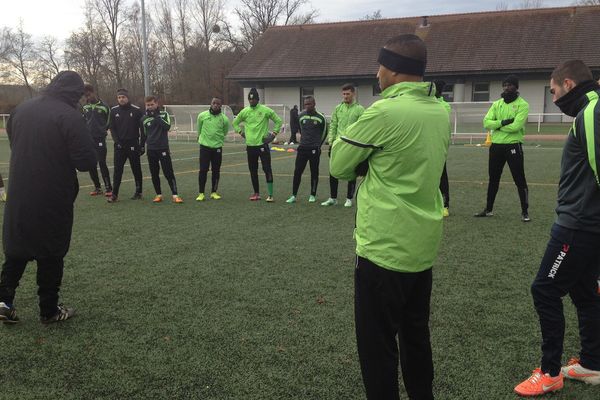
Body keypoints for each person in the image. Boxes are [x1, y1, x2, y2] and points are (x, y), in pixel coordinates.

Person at [330, 34, 449, 400]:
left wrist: (364, 162)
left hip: (383, 246)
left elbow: (338, 164)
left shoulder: (384, 111)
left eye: (380, 65)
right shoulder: (442, 110)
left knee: (377, 345)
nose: (377, 73)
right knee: (416, 335)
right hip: (422, 246)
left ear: (395, 70)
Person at [514, 61, 600, 397]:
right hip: (587, 224)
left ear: (568, 83)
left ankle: (550, 372)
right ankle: (592, 363)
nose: (553, 98)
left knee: (545, 290)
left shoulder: (592, 112)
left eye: (553, 91)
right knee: (582, 291)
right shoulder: (591, 111)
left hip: (578, 225)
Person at [0, 71, 97, 324]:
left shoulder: (21, 110)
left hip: (20, 190)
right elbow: (86, 161)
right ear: (75, 93)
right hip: (53, 193)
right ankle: (49, 310)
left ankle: (3, 301)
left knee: (17, 248)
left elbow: (15, 143)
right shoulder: (69, 116)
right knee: (51, 251)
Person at [475, 75, 531, 221]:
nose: (507, 87)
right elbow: (486, 123)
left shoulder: (523, 105)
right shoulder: (497, 104)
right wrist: (504, 122)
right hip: (496, 147)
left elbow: (516, 127)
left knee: (519, 179)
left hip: (513, 146)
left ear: (516, 87)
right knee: (493, 178)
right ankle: (488, 209)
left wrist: (498, 126)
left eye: (510, 85)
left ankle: (525, 212)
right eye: (505, 85)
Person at [233, 88, 282, 202]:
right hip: (250, 146)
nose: (251, 101)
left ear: (258, 99)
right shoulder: (245, 111)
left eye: (253, 99)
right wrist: (241, 132)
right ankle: (256, 193)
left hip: (262, 145)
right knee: (253, 170)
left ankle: (270, 195)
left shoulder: (265, 110)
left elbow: (278, 121)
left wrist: (273, 135)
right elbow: (235, 122)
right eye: (250, 99)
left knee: (267, 169)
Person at [322, 83, 364, 208]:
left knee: (351, 172)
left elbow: (363, 128)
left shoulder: (360, 109)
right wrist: (331, 141)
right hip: (337, 145)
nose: (345, 96)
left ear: (353, 94)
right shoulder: (337, 108)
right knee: (333, 171)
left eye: (348, 94)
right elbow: (333, 125)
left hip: (352, 146)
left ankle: (349, 198)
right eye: (344, 94)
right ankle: (333, 198)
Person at [286, 96, 327, 204]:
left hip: (314, 149)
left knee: (314, 172)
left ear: (314, 104)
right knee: (297, 171)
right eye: (305, 104)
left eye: (309, 104)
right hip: (302, 148)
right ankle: (293, 195)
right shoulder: (301, 116)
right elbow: (300, 129)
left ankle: (312, 195)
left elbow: (324, 132)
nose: (307, 106)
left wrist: (318, 144)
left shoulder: (320, 117)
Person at [142, 95, 183, 204]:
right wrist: (142, 146)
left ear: (156, 104)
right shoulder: (144, 118)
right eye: (148, 105)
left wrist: (156, 116)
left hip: (163, 148)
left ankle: (175, 195)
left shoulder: (164, 114)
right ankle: (158, 194)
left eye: (152, 104)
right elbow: (144, 134)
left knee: (168, 172)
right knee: (154, 173)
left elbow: (167, 127)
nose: (150, 107)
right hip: (151, 149)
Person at [107, 88, 145, 203]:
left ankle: (138, 192)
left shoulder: (137, 110)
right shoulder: (113, 111)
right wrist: (117, 142)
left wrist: (142, 145)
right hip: (119, 145)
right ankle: (114, 194)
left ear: (127, 98)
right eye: (119, 97)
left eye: (123, 97)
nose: (121, 99)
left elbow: (143, 130)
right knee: (117, 170)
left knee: (136, 169)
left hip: (133, 144)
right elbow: (112, 128)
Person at [196, 97, 230, 201]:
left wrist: (217, 141)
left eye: (218, 104)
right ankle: (201, 193)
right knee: (203, 170)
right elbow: (199, 128)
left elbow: (225, 132)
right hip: (205, 147)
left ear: (221, 106)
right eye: (214, 103)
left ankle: (214, 192)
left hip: (217, 148)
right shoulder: (202, 116)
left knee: (216, 170)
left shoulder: (224, 119)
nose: (215, 105)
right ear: (211, 104)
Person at [83, 84, 112, 197]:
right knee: (91, 163)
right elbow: (84, 121)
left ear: (93, 92)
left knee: (102, 162)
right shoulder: (85, 107)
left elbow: (108, 121)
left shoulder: (104, 106)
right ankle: (97, 187)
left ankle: (108, 187)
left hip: (100, 138)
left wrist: (102, 131)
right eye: (85, 96)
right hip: (88, 139)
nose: (87, 97)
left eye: (88, 95)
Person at [434, 80, 452, 217]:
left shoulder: (444, 106)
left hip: (438, 146)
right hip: (423, 146)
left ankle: (445, 205)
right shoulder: (424, 103)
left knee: (442, 176)